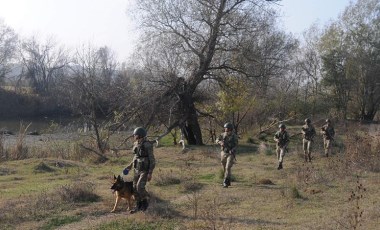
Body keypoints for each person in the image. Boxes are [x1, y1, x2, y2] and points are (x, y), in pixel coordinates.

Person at [124, 127, 155, 213]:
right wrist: (130, 166)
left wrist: (150, 173)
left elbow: (152, 159)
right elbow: (136, 156)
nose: (134, 136)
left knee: (139, 187)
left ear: (140, 135)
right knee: (134, 188)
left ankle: (146, 202)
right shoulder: (136, 143)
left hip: (144, 170)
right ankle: (139, 206)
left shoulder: (147, 145)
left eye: (135, 134)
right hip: (136, 169)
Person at [216, 122, 238, 188]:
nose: (226, 129)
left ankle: (225, 182)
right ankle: (228, 180)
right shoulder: (222, 135)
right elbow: (217, 140)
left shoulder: (234, 136)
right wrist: (220, 142)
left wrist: (233, 150)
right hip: (223, 153)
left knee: (228, 167)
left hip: (230, 153)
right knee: (224, 167)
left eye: (227, 128)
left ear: (230, 129)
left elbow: (236, 145)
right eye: (225, 128)